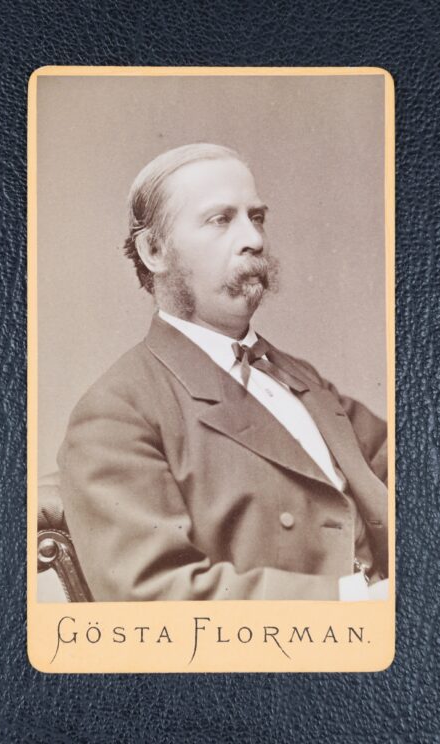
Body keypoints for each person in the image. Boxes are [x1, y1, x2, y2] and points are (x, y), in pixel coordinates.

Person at [58, 143, 388, 602]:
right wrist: (355, 601)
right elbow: (156, 595)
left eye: (257, 217)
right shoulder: (117, 413)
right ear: (154, 250)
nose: (254, 239)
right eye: (221, 220)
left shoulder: (299, 377)